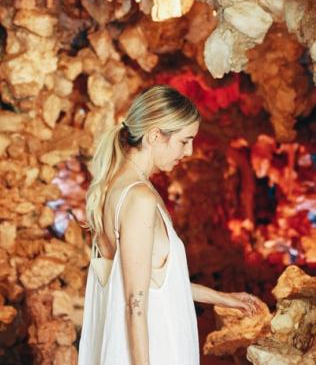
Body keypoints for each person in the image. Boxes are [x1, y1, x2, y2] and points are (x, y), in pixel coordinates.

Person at [78, 85, 260, 365]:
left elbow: (151, 282)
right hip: (154, 351)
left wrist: (222, 298)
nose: (188, 152)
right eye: (184, 141)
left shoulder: (117, 188)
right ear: (154, 136)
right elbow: (134, 303)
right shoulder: (138, 197)